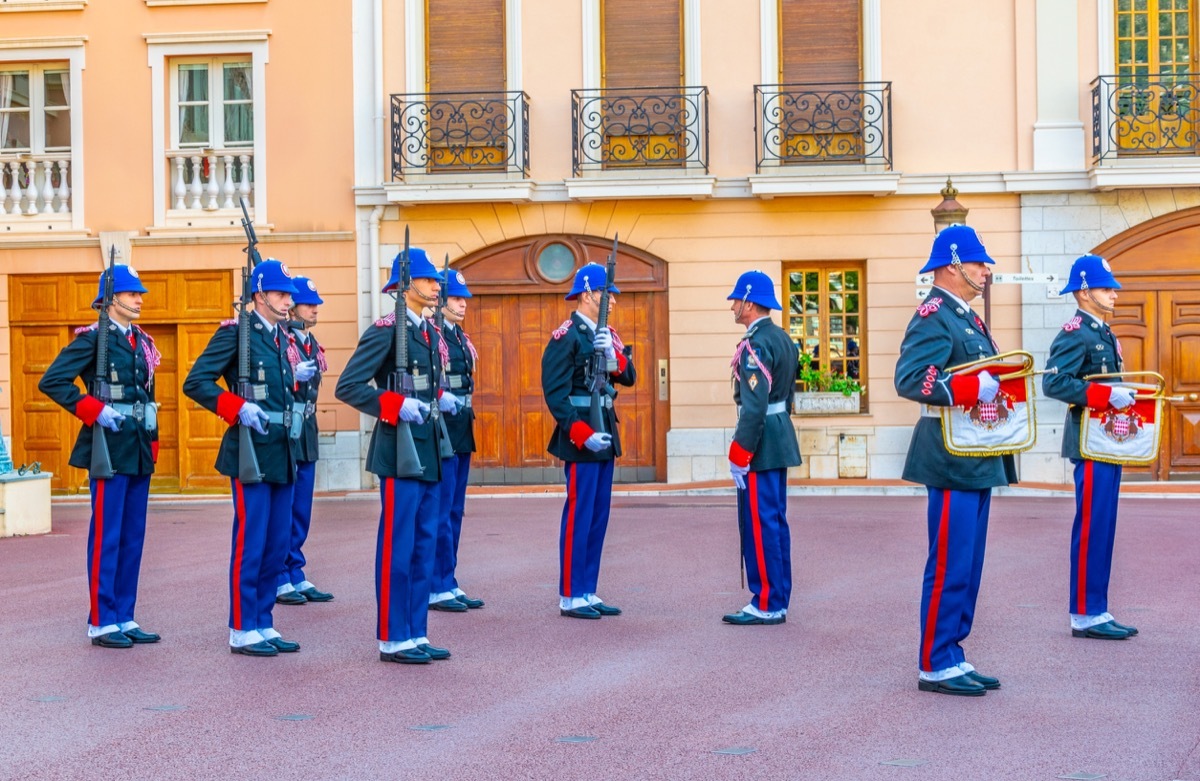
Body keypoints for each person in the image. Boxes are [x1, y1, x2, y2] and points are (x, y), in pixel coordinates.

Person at [894, 224, 1017, 697]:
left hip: (973, 450)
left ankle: (953, 652)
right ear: (952, 264)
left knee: (968, 561)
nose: (987, 269)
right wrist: (970, 388)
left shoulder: (965, 316)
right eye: (979, 261)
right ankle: (935, 661)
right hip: (948, 453)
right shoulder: (934, 314)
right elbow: (910, 380)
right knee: (948, 561)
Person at [182, 259, 305, 657]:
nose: (289, 301)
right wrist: (235, 408)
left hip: (283, 447)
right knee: (251, 541)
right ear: (259, 296)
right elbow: (196, 381)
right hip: (251, 449)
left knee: (275, 541)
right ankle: (241, 625)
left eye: (289, 295)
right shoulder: (237, 334)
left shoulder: (279, 337)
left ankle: (263, 620)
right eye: (281, 294)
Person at [335, 247, 452, 664]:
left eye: (436, 281)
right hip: (399, 448)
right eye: (428, 280)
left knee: (425, 542)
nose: (436, 287)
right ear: (406, 286)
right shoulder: (387, 330)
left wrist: (437, 398)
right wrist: (393, 405)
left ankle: (415, 631)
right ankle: (391, 635)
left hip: (428, 446)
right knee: (397, 545)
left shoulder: (428, 331)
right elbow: (348, 386)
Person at [39, 265, 161, 649]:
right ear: (111, 300)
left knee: (132, 536)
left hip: (137, 446)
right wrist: (92, 409)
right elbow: (53, 381)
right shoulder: (93, 340)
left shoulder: (140, 341)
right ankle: (101, 619)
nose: (139, 299)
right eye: (132, 294)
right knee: (108, 535)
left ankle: (124, 614)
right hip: (108, 446)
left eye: (139, 294)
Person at [1043, 254, 1139, 641]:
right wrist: (1103, 396)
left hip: (1106, 439)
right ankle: (1084, 613)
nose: (1114, 294)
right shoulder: (1075, 332)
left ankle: (1096, 608)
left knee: (1104, 526)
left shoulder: (1103, 332)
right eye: (1105, 288)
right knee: (1092, 525)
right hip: (1088, 440)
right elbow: (1053, 383)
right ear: (1084, 292)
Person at [541, 262, 636, 619]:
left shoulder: (606, 334)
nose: (611, 299)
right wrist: (581, 434)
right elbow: (555, 395)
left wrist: (613, 359)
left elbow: (630, 376)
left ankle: (587, 589)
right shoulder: (566, 335)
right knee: (580, 513)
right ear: (587, 294)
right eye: (606, 293)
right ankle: (570, 593)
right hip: (582, 435)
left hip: (605, 427)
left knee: (598, 515)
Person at [722, 271, 802, 626]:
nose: (733, 306)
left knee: (760, 522)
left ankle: (767, 601)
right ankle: (777, 596)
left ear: (749, 303)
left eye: (736, 300)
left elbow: (754, 406)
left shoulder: (754, 345)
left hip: (762, 441)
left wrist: (741, 451)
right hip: (778, 433)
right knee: (773, 520)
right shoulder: (782, 337)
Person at [275, 276, 334, 606]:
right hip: (286, 428)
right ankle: (280, 575)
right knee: (283, 508)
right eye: (308, 304)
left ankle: (295, 569)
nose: (314, 309)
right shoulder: (281, 341)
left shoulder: (309, 343)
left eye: (315, 304)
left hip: (306, 428)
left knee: (301, 508)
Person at [428, 269, 484, 613]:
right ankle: (437, 584)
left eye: (464, 299)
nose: (462, 304)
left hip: (461, 427)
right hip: (442, 427)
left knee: (456, 510)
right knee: (441, 510)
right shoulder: (434, 335)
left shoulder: (459, 337)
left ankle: (448, 579)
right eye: (456, 298)